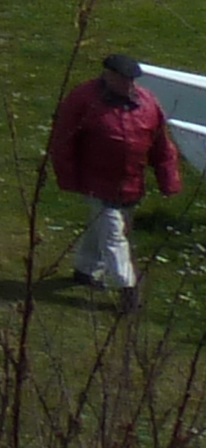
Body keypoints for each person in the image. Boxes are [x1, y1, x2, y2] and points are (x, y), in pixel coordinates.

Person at [49, 54, 184, 312]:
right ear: (108, 75)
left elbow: (161, 146)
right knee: (114, 236)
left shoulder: (147, 103)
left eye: (132, 80)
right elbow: (64, 140)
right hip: (97, 182)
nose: (130, 85)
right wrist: (68, 176)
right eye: (124, 79)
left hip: (131, 184)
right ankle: (127, 289)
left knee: (102, 228)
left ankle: (85, 269)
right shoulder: (84, 99)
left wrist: (169, 180)